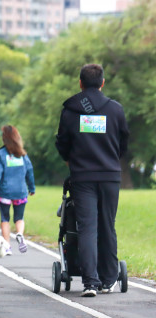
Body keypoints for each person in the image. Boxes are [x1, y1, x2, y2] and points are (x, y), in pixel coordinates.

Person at [55, 64, 129, 297]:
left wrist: (72, 160)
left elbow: (62, 143)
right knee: (108, 226)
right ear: (103, 83)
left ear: (80, 83)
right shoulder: (115, 110)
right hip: (109, 177)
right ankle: (108, 280)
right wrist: (111, 160)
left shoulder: (70, 110)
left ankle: (90, 283)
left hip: (82, 177)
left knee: (86, 227)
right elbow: (123, 142)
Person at [0, 125, 36, 256]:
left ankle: (7, 246)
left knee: (5, 219)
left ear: (4, 139)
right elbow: (29, 171)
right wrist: (32, 188)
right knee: (19, 218)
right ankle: (19, 233)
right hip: (20, 192)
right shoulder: (22, 154)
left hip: (4, 193)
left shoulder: (0, 154)